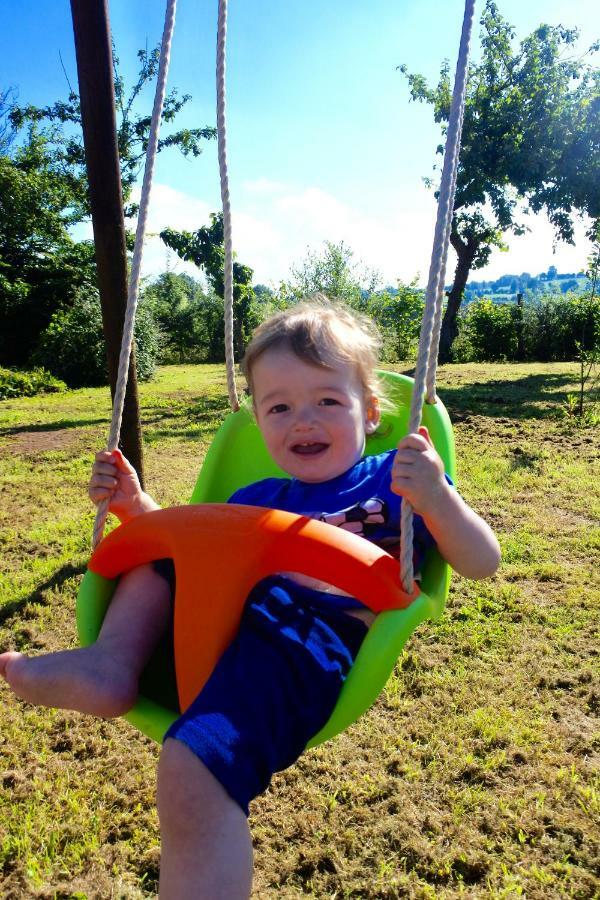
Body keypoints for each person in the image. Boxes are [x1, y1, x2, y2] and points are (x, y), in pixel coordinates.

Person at [0, 299, 500, 898]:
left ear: (369, 413)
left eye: (327, 402)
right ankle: (114, 660)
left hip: (305, 635)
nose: (303, 421)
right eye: (280, 407)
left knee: (193, 771)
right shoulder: (255, 492)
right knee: (166, 549)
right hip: (227, 620)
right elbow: (187, 549)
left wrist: (438, 501)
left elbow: (481, 562)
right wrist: (136, 511)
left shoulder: (395, 476)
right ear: (258, 422)